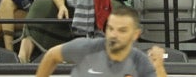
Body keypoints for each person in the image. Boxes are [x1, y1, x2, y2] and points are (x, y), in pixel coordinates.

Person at [33, 5, 165, 77]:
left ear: (135, 34)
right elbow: (52, 55)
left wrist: (158, 66)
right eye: (111, 29)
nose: (114, 35)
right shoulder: (86, 48)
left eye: (122, 30)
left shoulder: (139, 61)